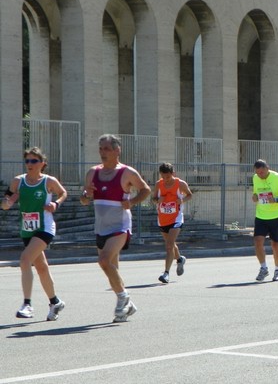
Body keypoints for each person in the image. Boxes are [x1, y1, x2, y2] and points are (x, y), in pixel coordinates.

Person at [80, 134, 151, 322]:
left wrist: (132, 202)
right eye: (101, 149)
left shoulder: (126, 172)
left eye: (107, 149)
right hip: (101, 226)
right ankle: (127, 306)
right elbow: (84, 198)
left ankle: (123, 298)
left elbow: (145, 190)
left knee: (103, 261)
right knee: (112, 268)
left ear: (117, 150)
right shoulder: (92, 172)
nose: (103, 153)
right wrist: (86, 197)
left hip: (120, 225)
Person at [1, 147, 67, 320]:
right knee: (42, 268)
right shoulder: (18, 181)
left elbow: (63, 193)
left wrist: (56, 204)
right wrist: (7, 203)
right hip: (27, 229)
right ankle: (55, 302)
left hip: (45, 227)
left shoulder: (48, 181)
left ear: (42, 164)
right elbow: (5, 202)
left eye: (33, 161)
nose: (29, 164)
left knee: (25, 259)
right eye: (27, 161)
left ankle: (27, 304)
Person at [252, 159, 278, 282]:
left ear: (267, 169)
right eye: (257, 173)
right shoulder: (255, 178)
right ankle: (263, 268)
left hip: (277, 215)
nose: (260, 175)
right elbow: (255, 193)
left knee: (275, 244)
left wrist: (277, 199)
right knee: (257, 241)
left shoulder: (277, 177)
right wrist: (254, 197)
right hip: (261, 215)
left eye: (262, 173)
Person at [151, 162, 193, 283]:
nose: (166, 180)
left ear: (173, 173)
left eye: (168, 177)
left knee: (169, 245)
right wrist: (158, 200)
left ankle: (166, 274)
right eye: (163, 177)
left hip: (176, 218)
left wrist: (182, 200)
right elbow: (154, 199)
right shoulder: (159, 184)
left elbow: (190, 195)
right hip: (163, 219)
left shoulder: (180, 184)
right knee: (171, 244)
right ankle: (179, 259)